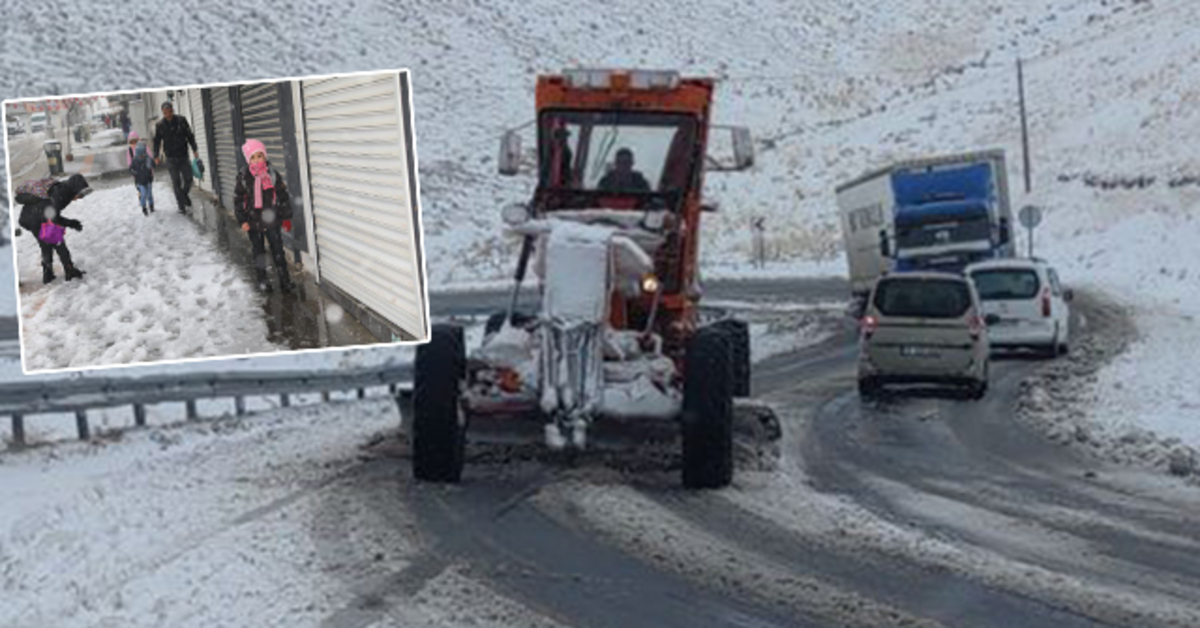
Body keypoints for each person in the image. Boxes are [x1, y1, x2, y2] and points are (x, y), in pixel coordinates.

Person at [234, 139, 295, 293]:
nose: (257, 160)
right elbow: (239, 200)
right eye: (253, 157)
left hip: (272, 220)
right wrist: (242, 220)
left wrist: (286, 217)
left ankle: (284, 281)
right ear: (248, 159)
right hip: (253, 222)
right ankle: (263, 282)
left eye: (260, 156)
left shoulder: (272, 174)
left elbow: (282, 196)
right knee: (258, 253)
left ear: (265, 156)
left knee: (278, 252)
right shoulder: (243, 177)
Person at [16, 174, 91, 284]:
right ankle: (69, 270)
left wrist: (69, 223)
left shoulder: (63, 189)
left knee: (46, 244)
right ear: (75, 188)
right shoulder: (63, 193)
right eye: (80, 194)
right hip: (37, 218)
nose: (79, 198)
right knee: (59, 243)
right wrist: (70, 223)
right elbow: (52, 215)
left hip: (30, 217)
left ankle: (48, 273)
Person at [152, 101, 199, 213]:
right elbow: (157, 141)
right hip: (171, 157)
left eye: (169, 112)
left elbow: (189, 135)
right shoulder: (160, 125)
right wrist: (156, 155)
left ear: (172, 110)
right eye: (165, 112)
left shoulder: (181, 121)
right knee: (176, 181)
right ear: (163, 113)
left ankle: (183, 195)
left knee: (188, 179)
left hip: (183, 155)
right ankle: (181, 206)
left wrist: (194, 148)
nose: (168, 114)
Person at [129, 140, 155, 216]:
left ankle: (151, 206)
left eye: (143, 155)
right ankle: (144, 207)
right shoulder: (135, 161)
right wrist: (134, 173)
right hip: (140, 181)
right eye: (140, 155)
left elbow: (153, 165)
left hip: (148, 180)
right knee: (143, 194)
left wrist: (152, 164)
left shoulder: (147, 159)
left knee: (149, 194)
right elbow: (130, 169)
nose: (142, 157)